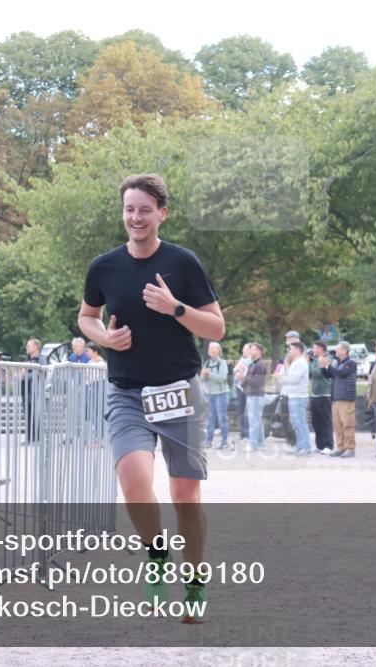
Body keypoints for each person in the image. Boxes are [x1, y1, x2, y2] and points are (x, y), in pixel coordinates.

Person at [77, 173, 223, 622]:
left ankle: (194, 581)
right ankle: (157, 554)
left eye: (144, 209)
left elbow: (216, 328)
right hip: (127, 392)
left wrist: (175, 308)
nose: (135, 217)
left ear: (162, 213)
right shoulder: (104, 267)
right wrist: (103, 337)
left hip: (178, 391)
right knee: (134, 479)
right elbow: (86, 316)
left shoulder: (183, 264)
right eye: (129, 209)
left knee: (185, 498)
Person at [321, 340, 358, 458]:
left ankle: (350, 448)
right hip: (336, 399)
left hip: (346, 399)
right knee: (338, 426)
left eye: (338, 349)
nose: (336, 351)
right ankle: (341, 447)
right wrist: (323, 367)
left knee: (348, 424)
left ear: (345, 351)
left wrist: (329, 365)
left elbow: (341, 374)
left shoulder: (351, 363)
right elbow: (329, 375)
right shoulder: (339, 363)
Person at [277, 341, 312, 456]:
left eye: (291, 349)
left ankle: (306, 447)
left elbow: (294, 379)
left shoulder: (301, 362)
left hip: (299, 396)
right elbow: (289, 376)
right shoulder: (295, 363)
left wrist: (281, 378)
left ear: (297, 350)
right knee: (296, 423)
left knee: (301, 422)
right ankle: (300, 446)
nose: (289, 351)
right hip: (293, 395)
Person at [201, 342, 231, 450]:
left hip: (221, 394)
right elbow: (202, 379)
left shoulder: (222, 363)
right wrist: (203, 376)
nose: (211, 350)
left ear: (218, 350)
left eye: (213, 348)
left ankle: (224, 441)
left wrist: (209, 374)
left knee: (222, 418)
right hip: (210, 394)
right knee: (210, 418)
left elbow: (222, 378)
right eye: (210, 348)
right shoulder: (207, 363)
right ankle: (208, 441)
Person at [309, 341, 334, 454]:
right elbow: (310, 374)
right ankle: (320, 445)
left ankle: (328, 445)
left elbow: (318, 373)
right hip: (314, 394)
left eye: (314, 348)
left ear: (320, 349)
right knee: (316, 422)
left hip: (324, 394)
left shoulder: (327, 358)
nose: (313, 350)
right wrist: (310, 364)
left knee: (325, 421)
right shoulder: (314, 360)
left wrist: (308, 364)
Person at [243, 343, 268, 451]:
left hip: (256, 396)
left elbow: (257, 382)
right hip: (253, 395)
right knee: (256, 421)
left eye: (252, 349)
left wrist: (244, 377)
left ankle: (252, 444)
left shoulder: (260, 365)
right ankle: (260, 443)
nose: (250, 351)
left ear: (259, 351)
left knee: (254, 421)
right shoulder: (253, 364)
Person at [232, 344, 252, 447]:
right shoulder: (241, 359)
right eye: (243, 349)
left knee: (246, 413)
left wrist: (241, 373)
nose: (243, 351)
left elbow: (246, 374)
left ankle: (247, 434)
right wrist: (238, 372)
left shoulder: (251, 361)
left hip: (247, 389)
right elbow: (235, 370)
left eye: (245, 349)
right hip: (239, 388)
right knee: (240, 410)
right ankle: (242, 433)